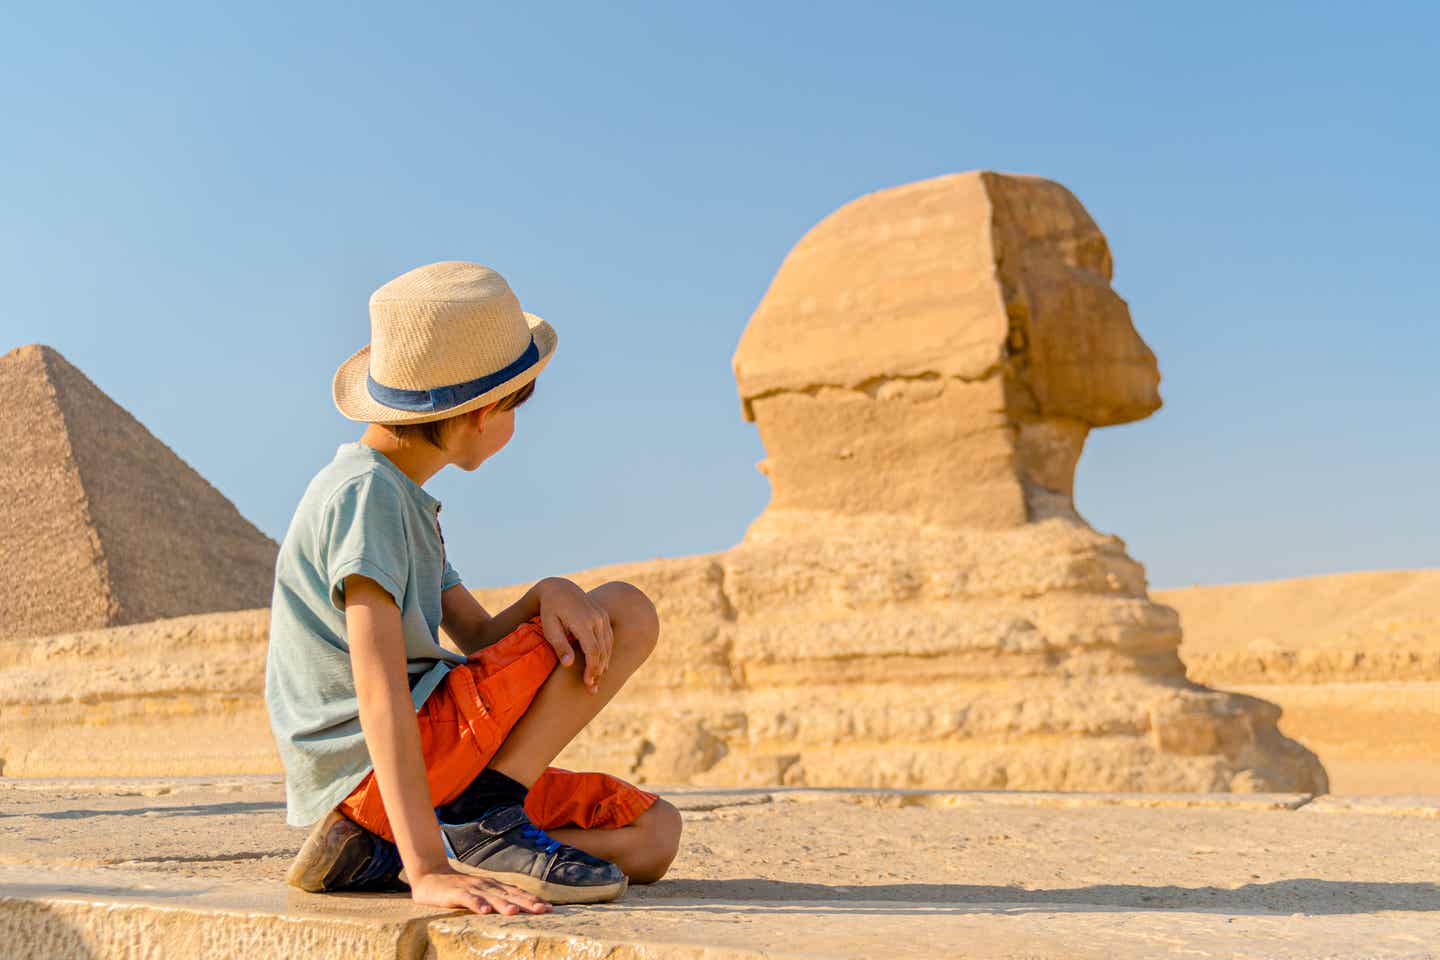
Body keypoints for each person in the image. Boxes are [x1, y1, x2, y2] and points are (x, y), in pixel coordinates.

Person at [264, 261, 681, 917]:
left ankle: (398, 845)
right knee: (627, 611)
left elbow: (483, 637)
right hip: (382, 766)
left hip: (432, 769)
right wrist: (429, 870)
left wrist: (550, 591)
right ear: (484, 413)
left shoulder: (402, 499)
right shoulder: (366, 497)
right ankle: (469, 825)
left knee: (655, 836)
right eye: (519, 406)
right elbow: (379, 689)